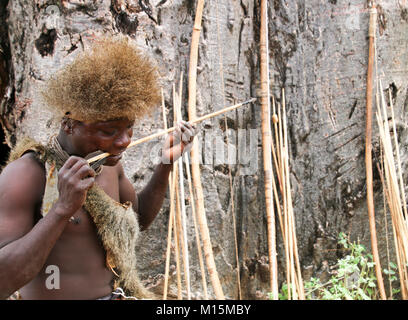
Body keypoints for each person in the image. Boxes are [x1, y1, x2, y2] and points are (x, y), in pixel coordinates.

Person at [0, 37, 197, 300]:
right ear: (69, 124)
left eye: (129, 128)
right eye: (108, 131)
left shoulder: (109, 167)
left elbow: (137, 219)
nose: (124, 141)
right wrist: (61, 209)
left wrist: (165, 165)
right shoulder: (26, 175)